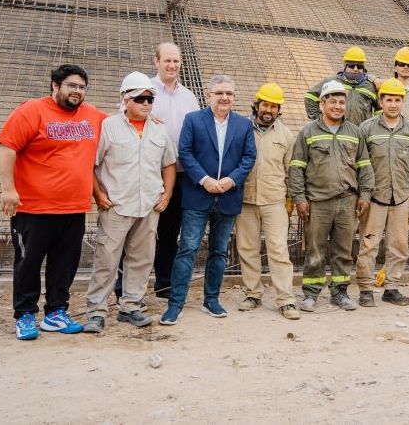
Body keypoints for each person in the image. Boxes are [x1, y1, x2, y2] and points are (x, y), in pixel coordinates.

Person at [0, 64, 107, 340]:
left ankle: (56, 313)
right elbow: (6, 147)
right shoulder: (31, 111)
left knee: (65, 264)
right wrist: (8, 189)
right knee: (28, 263)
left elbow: (121, 124)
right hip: (34, 208)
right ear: (55, 86)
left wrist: (148, 118)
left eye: (81, 87)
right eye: (71, 85)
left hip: (73, 207)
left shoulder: (91, 115)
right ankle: (24, 315)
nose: (77, 92)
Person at [159, 75, 257, 325]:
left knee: (219, 251)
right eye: (219, 93)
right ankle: (175, 304)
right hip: (197, 196)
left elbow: (248, 157)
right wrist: (204, 180)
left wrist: (230, 180)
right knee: (188, 249)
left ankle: (211, 300)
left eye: (229, 94)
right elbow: (186, 152)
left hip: (228, 196)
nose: (225, 98)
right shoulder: (193, 120)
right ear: (209, 94)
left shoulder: (244, 125)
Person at [84, 73, 177, 333]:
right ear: (125, 100)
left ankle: (131, 306)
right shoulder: (108, 127)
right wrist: (98, 194)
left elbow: (168, 163)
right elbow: (91, 164)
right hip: (116, 205)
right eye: (140, 99)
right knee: (106, 259)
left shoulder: (159, 129)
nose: (147, 104)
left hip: (148, 206)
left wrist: (167, 194)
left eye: (150, 99)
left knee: (141, 259)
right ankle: (96, 310)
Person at [114, 42, 199, 302]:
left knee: (169, 233)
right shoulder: (143, 90)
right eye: (167, 61)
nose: (172, 65)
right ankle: (123, 288)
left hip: (179, 174)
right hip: (146, 173)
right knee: (135, 231)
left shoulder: (190, 97)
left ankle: (164, 283)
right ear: (156, 61)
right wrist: (148, 118)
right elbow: (123, 120)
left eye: (176, 61)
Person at [289, 80, 375, 312]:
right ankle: (311, 294)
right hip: (317, 202)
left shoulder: (355, 132)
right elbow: (297, 167)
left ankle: (340, 292)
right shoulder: (308, 132)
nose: (337, 106)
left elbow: (364, 166)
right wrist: (299, 198)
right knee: (315, 250)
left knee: (343, 251)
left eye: (341, 102)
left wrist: (365, 194)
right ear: (323, 103)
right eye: (333, 101)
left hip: (348, 201)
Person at [235, 83, 300, 320]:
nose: (268, 110)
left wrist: (291, 198)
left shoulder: (286, 135)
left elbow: (290, 169)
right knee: (247, 249)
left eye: (273, 106)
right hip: (245, 200)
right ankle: (253, 293)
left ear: (278, 109)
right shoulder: (242, 129)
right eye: (265, 104)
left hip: (274, 200)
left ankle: (285, 299)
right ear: (256, 105)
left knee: (278, 250)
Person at [356, 78, 409, 307]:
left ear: (404, 102)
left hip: (401, 196)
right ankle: (365, 288)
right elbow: (361, 163)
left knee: (399, 244)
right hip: (375, 196)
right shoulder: (367, 128)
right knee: (369, 244)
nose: (393, 104)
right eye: (389, 99)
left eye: (398, 100)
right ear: (381, 101)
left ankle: (391, 287)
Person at [304, 46, 379, 126]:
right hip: (337, 132)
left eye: (359, 66)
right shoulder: (332, 82)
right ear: (345, 65)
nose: (355, 69)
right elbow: (310, 96)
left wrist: (374, 127)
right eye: (351, 65)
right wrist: (319, 119)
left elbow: (380, 109)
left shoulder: (371, 86)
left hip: (360, 134)